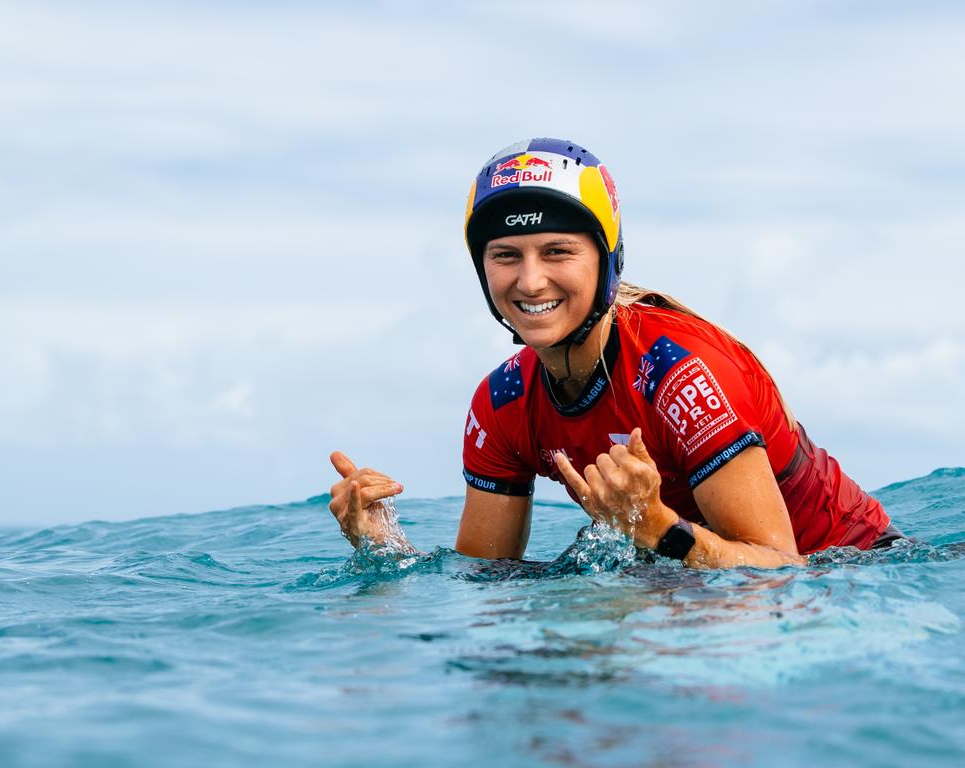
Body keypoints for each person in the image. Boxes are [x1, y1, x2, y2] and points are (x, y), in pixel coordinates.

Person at [327, 138, 904, 569]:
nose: (530, 282)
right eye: (506, 255)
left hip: (856, 574)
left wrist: (653, 525)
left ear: (607, 261)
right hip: (694, 583)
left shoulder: (679, 374)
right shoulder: (501, 401)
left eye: (557, 251)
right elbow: (489, 579)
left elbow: (781, 571)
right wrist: (385, 548)